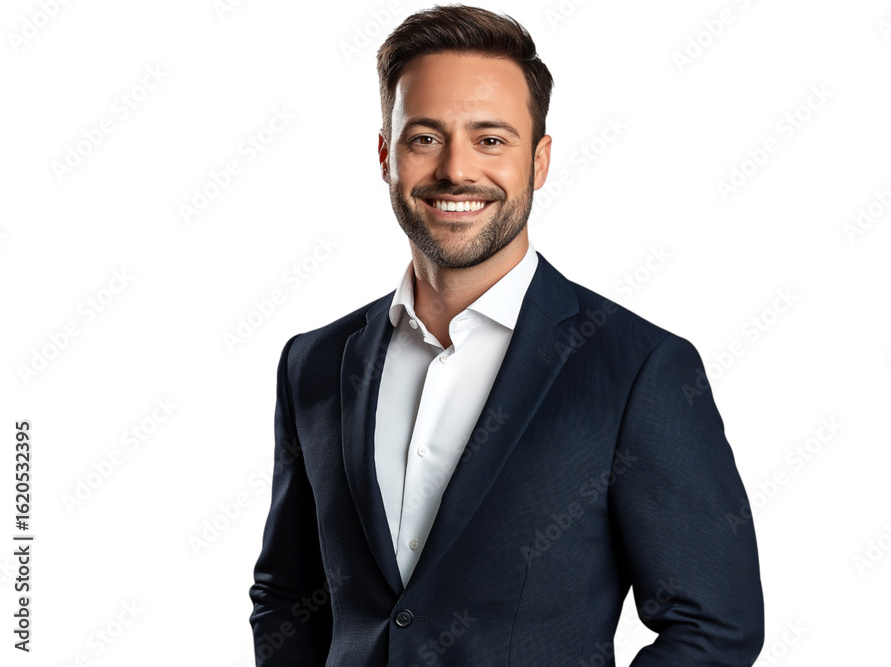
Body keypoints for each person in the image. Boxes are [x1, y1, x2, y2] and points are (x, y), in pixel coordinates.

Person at [249, 5, 764, 665]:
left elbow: (714, 625)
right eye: (424, 138)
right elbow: (288, 594)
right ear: (385, 154)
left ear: (539, 160)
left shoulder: (638, 368)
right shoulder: (314, 363)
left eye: (490, 139)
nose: (456, 170)